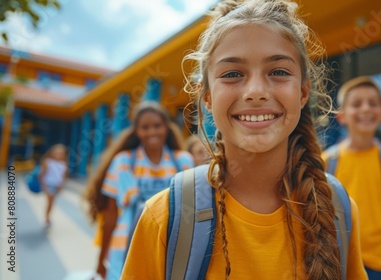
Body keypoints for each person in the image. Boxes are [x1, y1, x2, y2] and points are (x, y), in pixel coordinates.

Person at [122, 1, 367, 279]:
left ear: (302, 93)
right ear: (208, 98)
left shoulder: (336, 211)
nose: (255, 91)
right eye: (232, 74)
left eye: (278, 72)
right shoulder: (163, 218)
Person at [84, 101, 194, 280]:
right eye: (145, 127)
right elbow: (111, 215)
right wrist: (100, 260)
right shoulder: (124, 162)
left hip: (169, 247)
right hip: (125, 248)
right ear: (136, 130)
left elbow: (190, 211)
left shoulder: (183, 161)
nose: (152, 132)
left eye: (157, 126)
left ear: (166, 127)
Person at [323, 76, 381, 280]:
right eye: (356, 104)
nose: (365, 109)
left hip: (379, 264)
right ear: (342, 116)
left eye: (373, 103)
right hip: (339, 261)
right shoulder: (325, 163)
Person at [38, 144, 68, 227]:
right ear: (52, 153)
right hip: (48, 185)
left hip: (56, 186)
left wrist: (61, 186)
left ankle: (48, 217)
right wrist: (44, 187)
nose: (59, 155)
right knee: (50, 202)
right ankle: (47, 218)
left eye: (61, 153)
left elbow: (63, 177)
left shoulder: (63, 164)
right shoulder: (48, 162)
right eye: (57, 153)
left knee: (52, 203)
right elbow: (42, 175)